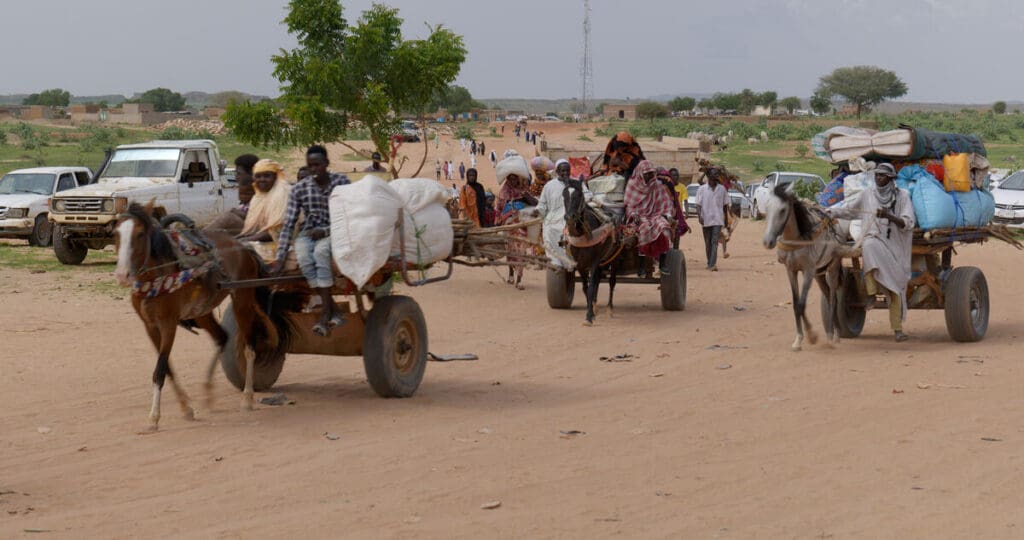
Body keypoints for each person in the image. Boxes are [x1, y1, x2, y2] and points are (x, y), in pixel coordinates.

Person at [826, 163, 915, 342]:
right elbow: (850, 209)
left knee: (895, 288)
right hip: (873, 240)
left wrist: (888, 216)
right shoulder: (867, 194)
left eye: (882, 176)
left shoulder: (903, 196)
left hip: (896, 247)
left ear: (891, 179)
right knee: (868, 244)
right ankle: (872, 294)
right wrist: (829, 212)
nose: (878, 178)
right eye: (877, 175)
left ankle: (898, 330)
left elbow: (908, 222)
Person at [272, 145, 350, 336]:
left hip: (336, 230)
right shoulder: (299, 188)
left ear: (326, 164)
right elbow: (289, 223)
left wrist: (325, 230)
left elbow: (351, 215)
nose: (314, 169)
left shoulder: (342, 182)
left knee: (321, 253)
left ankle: (324, 315)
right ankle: (334, 310)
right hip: (308, 233)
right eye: (310, 166)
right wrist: (280, 257)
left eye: (317, 165)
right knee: (304, 259)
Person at [624, 160, 676, 276]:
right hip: (639, 217)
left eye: (651, 173)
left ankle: (662, 264)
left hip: (656, 215)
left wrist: (666, 215)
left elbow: (665, 204)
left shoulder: (658, 185)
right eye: (646, 173)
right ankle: (641, 266)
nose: (649, 176)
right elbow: (629, 206)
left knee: (665, 229)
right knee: (644, 229)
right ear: (640, 174)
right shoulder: (632, 186)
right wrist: (633, 215)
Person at [537, 159, 592, 269]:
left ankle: (572, 263)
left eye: (567, 170)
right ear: (557, 171)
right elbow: (542, 204)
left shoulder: (577, 183)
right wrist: (539, 211)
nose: (565, 173)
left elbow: (588, 195)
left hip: (573, 217)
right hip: (553, 219)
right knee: (548, 230)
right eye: (562, 171)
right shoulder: (549, 186)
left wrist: (581, 198)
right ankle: (556, 262)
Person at [495, 159, 538, 290]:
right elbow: (498, 209)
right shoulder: (503, 192)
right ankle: (511, 274)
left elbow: (535, 203)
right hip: (509, 224)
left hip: (522, 223)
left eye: (515, 178)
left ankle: (519, 279)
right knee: (510, 251)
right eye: (510, 179)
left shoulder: (524, 190)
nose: (513, 181)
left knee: (520, 251)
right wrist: (498, 222)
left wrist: (525, 197)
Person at [238, 159, 292, 261]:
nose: (261, 180)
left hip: (285, 242)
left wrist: (242, 240)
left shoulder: (282, 193)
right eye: (258, 176)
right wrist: (239, 238)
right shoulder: (258, 196)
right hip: (265, 238)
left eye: (267, 176)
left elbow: (275, 232)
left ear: (275, 177)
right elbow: (254, 228)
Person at [204, 154, 258, 235]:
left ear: (251, 173)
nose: (236, 177)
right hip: (248, 227)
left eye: (239, 173)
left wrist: (237, 213)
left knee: (228, 218)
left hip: (257, 230)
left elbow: (260, 219)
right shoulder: (247, 190)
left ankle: (198, 240)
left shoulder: (261, 191)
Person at [694, 168, 729, 271]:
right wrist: (699, 216)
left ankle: (713, 264)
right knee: (708, 243)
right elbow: (698, 204)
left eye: (717, 174)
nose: (716, 175)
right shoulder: (702, 189)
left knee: (714, 242)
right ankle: (709, 262)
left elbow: (725, 206)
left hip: (717, 220)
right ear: (708, 176)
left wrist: (726, 219)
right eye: (714, 174)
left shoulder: (722, 189)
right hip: (706, 219)